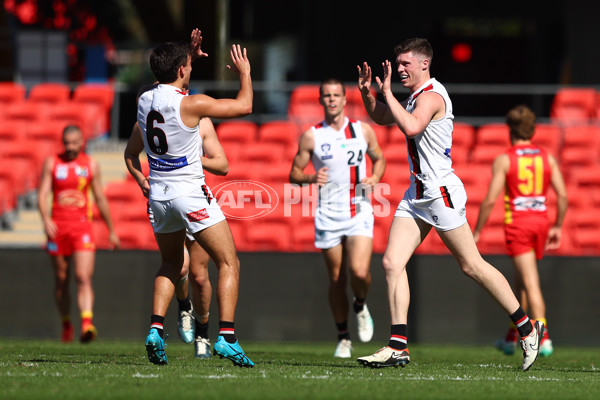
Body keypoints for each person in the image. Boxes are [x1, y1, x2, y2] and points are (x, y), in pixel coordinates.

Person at [355, 38, 543, 371]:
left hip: (440, 194)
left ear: (424, 64)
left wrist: (385, 94)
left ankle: (526, 328)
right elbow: (384, 118)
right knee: (391, 263)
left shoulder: (431, 95)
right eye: (397, 65)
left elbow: (411, 126)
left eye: (405, 64)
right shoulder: (415, 96)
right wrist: (368, 93)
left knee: (471, 265)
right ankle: (398, 346)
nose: (399, 70)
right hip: (418, 194)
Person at [132, 28, 254, 367]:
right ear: (182, 70)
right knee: (229, 262)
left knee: (172, 264)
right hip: (189, 192)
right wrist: (244, 73)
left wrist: (188, 59)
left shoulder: (143, 100)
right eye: (187, 64)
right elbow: (245, 106)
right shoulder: (193, 104)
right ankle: (227, 336)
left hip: (159, 194)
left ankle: (156, 329)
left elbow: (138, 144)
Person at [289, 78, 386, 358]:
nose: (332, 100)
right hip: (328, 214)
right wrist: (310, 177)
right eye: (326, 96)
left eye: (336, 95)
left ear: (345, 99)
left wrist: (376, 177)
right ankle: (343, 336)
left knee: (359, 272)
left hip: (359, 210)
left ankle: (361, 304)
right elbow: (293, 174)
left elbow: (379, 158)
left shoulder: (362, 130)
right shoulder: (311, 135)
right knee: (336, 278)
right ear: (321, 101)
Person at [125, 117, 228, 359]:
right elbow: (130, 153)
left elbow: (222, 165)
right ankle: (184, 307)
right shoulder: (145, 120)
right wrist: (141, 179)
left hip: (193, 199)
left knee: (199, 277)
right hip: (163, 198)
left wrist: (191, 158)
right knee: (179, 267)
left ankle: (203, 334)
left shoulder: (201, 121)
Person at [473, 105, 568, 358]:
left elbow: (491, 200)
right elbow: (563, 195)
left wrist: (478, 230)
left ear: (510, 130)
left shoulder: (505, 159)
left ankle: (543, 337)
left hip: (519, 225)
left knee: (530, 283)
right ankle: (511, 337)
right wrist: (558, 225)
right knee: (521, 283)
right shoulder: (547, 157)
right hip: (541, 223)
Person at [38, 124, 120, 343]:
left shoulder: (90, 164)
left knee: (83, 277)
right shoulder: (52, 163)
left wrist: (112, 230)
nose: (71, 147)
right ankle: (66, 323)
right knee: (61, 279)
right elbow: (43, 192)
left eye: (75, 143)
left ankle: (87, 323)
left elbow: (100, 197)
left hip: (82, 227)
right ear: (62, 143)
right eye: (67, 143)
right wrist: (45, 219)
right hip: (57, 228)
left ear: (82, 142)